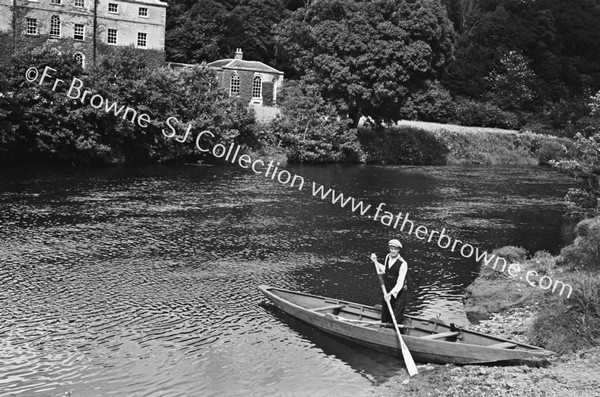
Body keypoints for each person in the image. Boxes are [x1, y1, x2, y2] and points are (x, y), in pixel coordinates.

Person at [370, 239, 409, 324]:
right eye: (391, 249)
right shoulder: (388, 256)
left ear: (399, 250)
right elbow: (386, 270)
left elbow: (400, 284)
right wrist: (375, 262)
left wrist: (390, 294)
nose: (393, 251)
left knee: (395, 318)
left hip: (398, 293)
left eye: (395, 249)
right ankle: (383, 329)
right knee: (385, 316)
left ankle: (396, 331)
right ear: (389, 248)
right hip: (387, 289)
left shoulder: (403, 264)